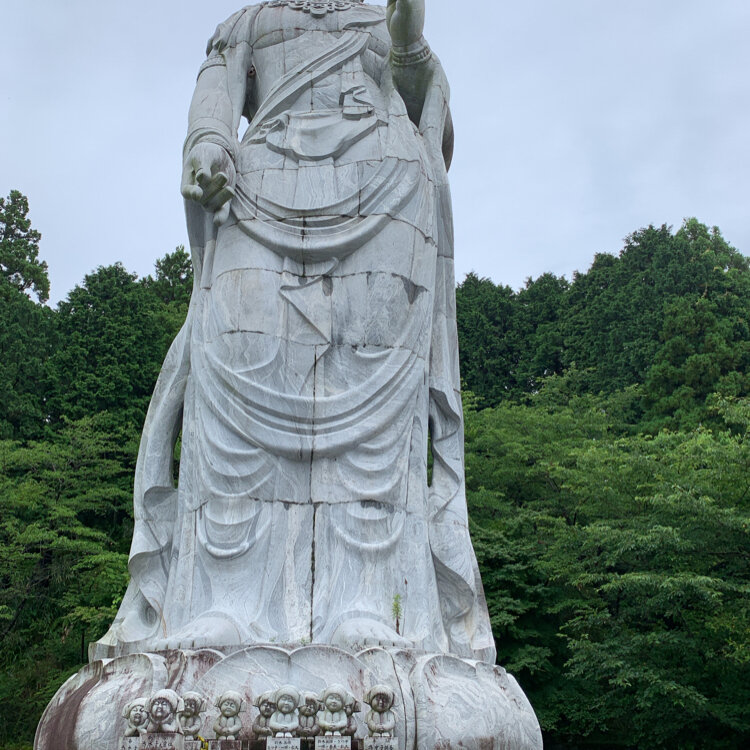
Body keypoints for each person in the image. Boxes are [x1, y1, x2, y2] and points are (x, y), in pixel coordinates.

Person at [93, 0, 494, 663]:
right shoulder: (247, 23)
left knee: (374, 411)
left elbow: (433, 120)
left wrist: (408, 41)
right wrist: (207, 145)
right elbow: (214, 98)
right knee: (233, 385)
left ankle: (368, 599)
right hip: (256, 192)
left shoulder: (380, 19)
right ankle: (225, 598)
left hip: (386, 189)